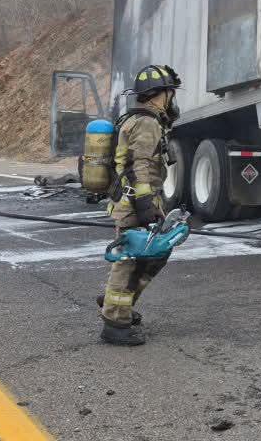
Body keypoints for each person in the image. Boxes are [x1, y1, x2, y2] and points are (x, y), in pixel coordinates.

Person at [99, 64, 182, 346]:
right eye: (171, 93)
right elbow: (139, 166)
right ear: (161, 94)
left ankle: (119, 302)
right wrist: (146, 205)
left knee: (148, 256)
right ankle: (115, 321)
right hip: (134, 202)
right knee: (131, 260)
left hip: (133, 200)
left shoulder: (138, 120)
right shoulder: (146, 123)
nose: (173, 99)